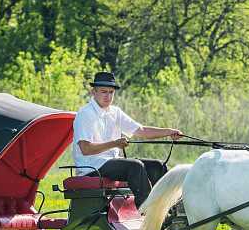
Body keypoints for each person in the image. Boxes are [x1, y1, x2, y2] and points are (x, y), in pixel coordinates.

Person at [72, 71, 182, 208]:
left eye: (111, 92)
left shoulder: (115, 112)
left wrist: (168, 132)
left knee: (158, 166)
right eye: (104, 92)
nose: (108, 96)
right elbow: (86, 149)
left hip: (110, 163)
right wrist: (114, 144)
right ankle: (147, 211)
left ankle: (171, 208)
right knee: (135, 166)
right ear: (93, 93)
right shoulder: (85, 114)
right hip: (92, 167)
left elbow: (142, 131)